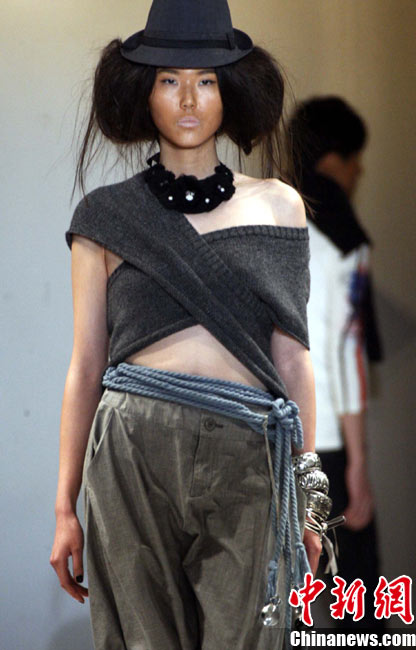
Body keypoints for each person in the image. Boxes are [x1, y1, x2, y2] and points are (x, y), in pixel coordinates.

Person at [50, 2, 332, 648]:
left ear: (229, 92)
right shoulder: (104, 217)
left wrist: (311, 500)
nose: (188, 99)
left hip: (250, 450)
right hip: (131, 452)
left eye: (206, 80)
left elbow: (294, 358)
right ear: (143, 93)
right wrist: (65, 507)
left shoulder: (279, 206)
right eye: (168, 80)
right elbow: (86, 364)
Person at [288, 96, 384, 630]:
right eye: (355, 160)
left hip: (272, 439)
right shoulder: (344, 239)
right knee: (359, 604)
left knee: (287, 603)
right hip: (325, 442)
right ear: (334, 159)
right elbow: (348, 357)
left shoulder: (267, 221)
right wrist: (359, 464)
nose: (359, 172)